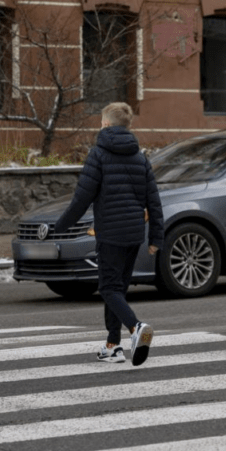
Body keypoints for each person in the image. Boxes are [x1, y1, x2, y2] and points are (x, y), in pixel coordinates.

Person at [53, 102, 163, 366]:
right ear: (128, 127)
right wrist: (156, 237)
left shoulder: (99, 155)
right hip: (134, 234)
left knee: (108, 288)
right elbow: (154, 199)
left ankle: (136, 328)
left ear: (104, 124)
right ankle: (113, 346)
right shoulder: (140, 157)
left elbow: (82, 198)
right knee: (117, 290)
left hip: (111, 234)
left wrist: (60, 227)